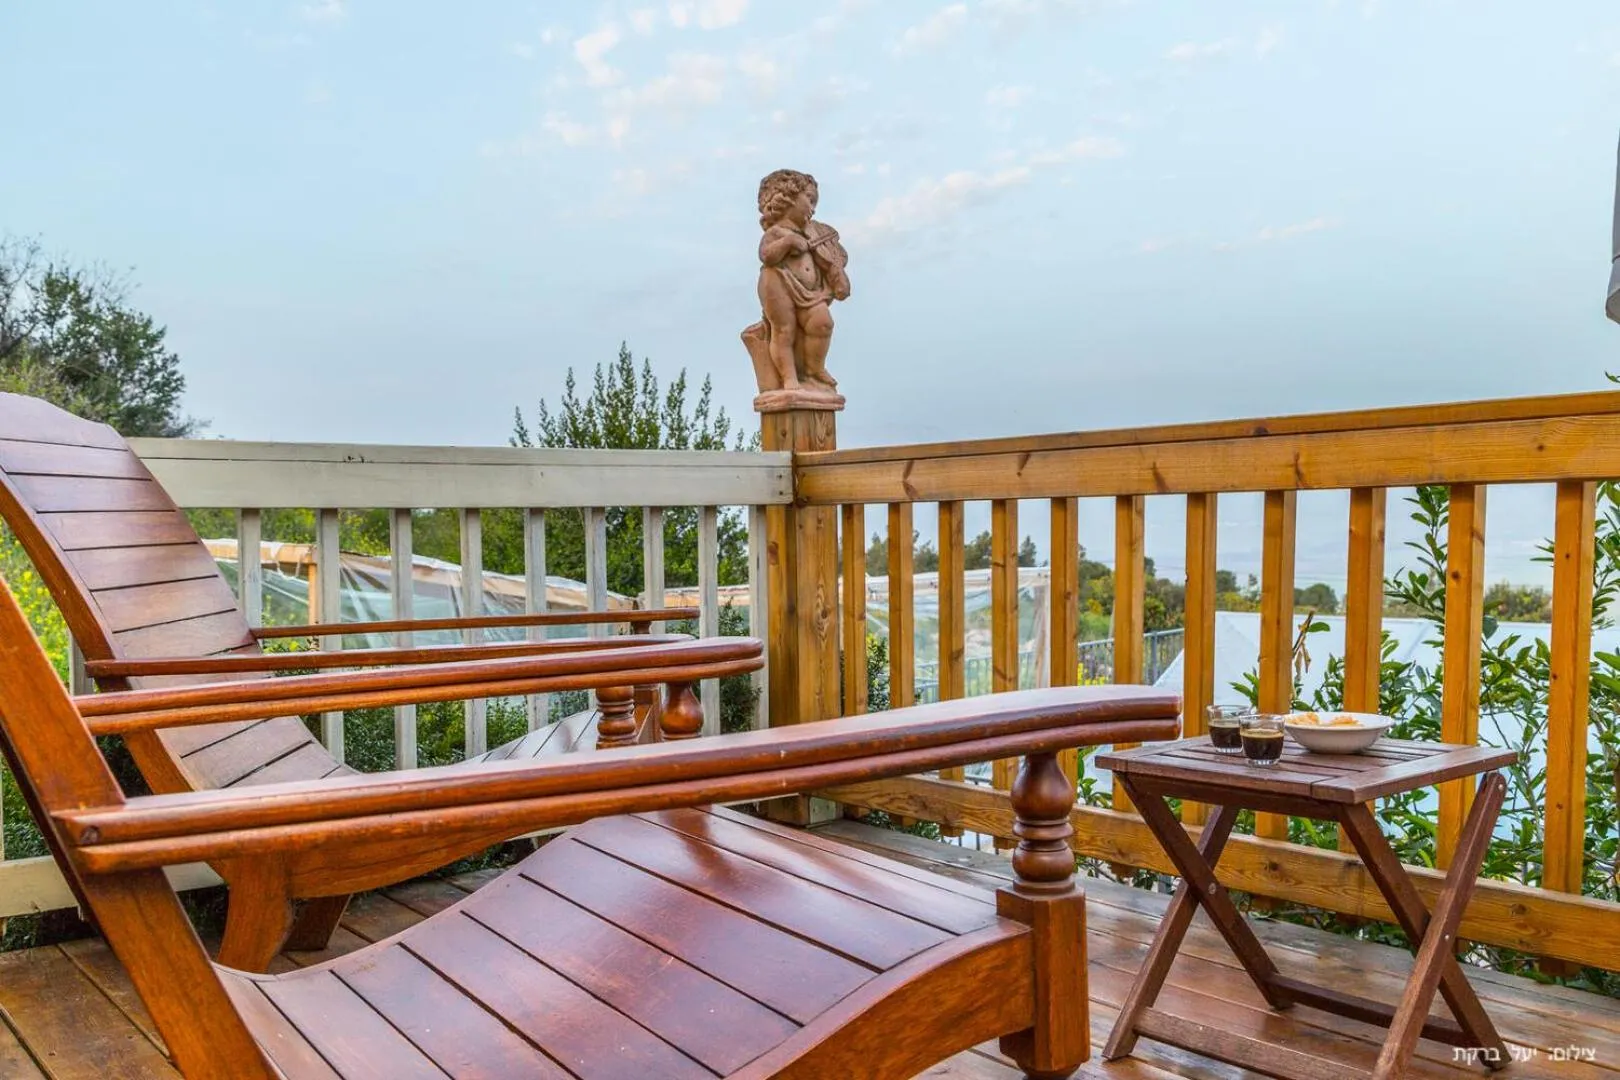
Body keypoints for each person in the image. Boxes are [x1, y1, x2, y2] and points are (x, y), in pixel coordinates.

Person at [744, 169, 850, 392]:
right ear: (787, 199)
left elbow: (827, 262)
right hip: (778, 282)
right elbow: (766, 255)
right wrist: (789, 242)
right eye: (809, 200)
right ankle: (789, 377)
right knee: (784, 331)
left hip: (810, 293)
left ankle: (814, 369)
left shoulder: (813, 235)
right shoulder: (776, 233)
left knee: (823, 323)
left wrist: (835, 272)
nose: (813, 209)